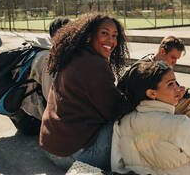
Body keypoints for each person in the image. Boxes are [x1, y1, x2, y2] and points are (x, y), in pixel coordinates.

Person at [39, 12, 129, 171]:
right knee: (125, 123)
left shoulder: (71, 54)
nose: (111, 40)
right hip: (73, 157)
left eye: (115, 36)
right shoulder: (94, 64)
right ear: (89, 35)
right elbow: (115, 110)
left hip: (49, 147)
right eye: (104, 33)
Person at [10, 18, 70, 135]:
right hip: (31, 121)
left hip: (24, 114)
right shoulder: (49, 58)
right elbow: (52, 101)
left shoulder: (41, 47)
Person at [118, 35, 190, 118]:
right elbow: (138, 100)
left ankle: (183, 129)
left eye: (177, 59)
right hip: (136, 112)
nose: (175, 62)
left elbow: (174, 87)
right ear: (162, 51)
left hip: (153, 106)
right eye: (173, 57)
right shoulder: (142, 69)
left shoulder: (162, 66)